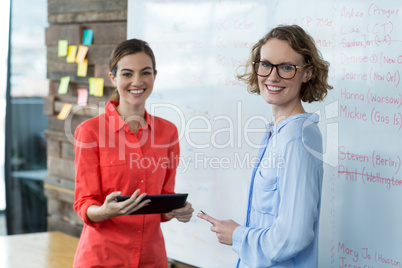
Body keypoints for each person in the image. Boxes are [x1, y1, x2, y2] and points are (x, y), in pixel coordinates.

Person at [198, 25, 333, 267]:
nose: (272, 76)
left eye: (286, 67)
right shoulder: (276, 132)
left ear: (307, 73)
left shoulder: (297, 137)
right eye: (265, 64)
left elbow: (294, 236)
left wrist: (237, 235)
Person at [73, 38, 194, 268]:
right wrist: (105, 211)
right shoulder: (89, 132)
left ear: (155, 76)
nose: (137, 81)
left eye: (145, 73)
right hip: (103, 258)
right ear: (113, 78)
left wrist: (177, 210)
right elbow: (84, 204)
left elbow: (163, 202)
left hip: (151, 258)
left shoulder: (168, 132)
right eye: (127, 74)